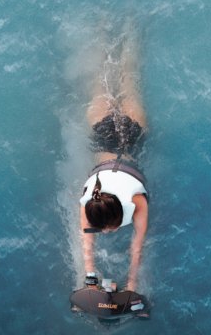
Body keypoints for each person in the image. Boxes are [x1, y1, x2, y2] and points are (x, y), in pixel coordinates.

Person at [79, 22, 148, 292]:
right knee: (117, 79)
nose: (106, 232)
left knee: (113, 78)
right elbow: (135, 247)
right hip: (105, 136)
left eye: (107, 229)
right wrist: (94, 281)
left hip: (131, 138)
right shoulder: (89, 201)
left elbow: (133, 245)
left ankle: (106, 27)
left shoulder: (136, 200)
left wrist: (129, 283)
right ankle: (129, 26)